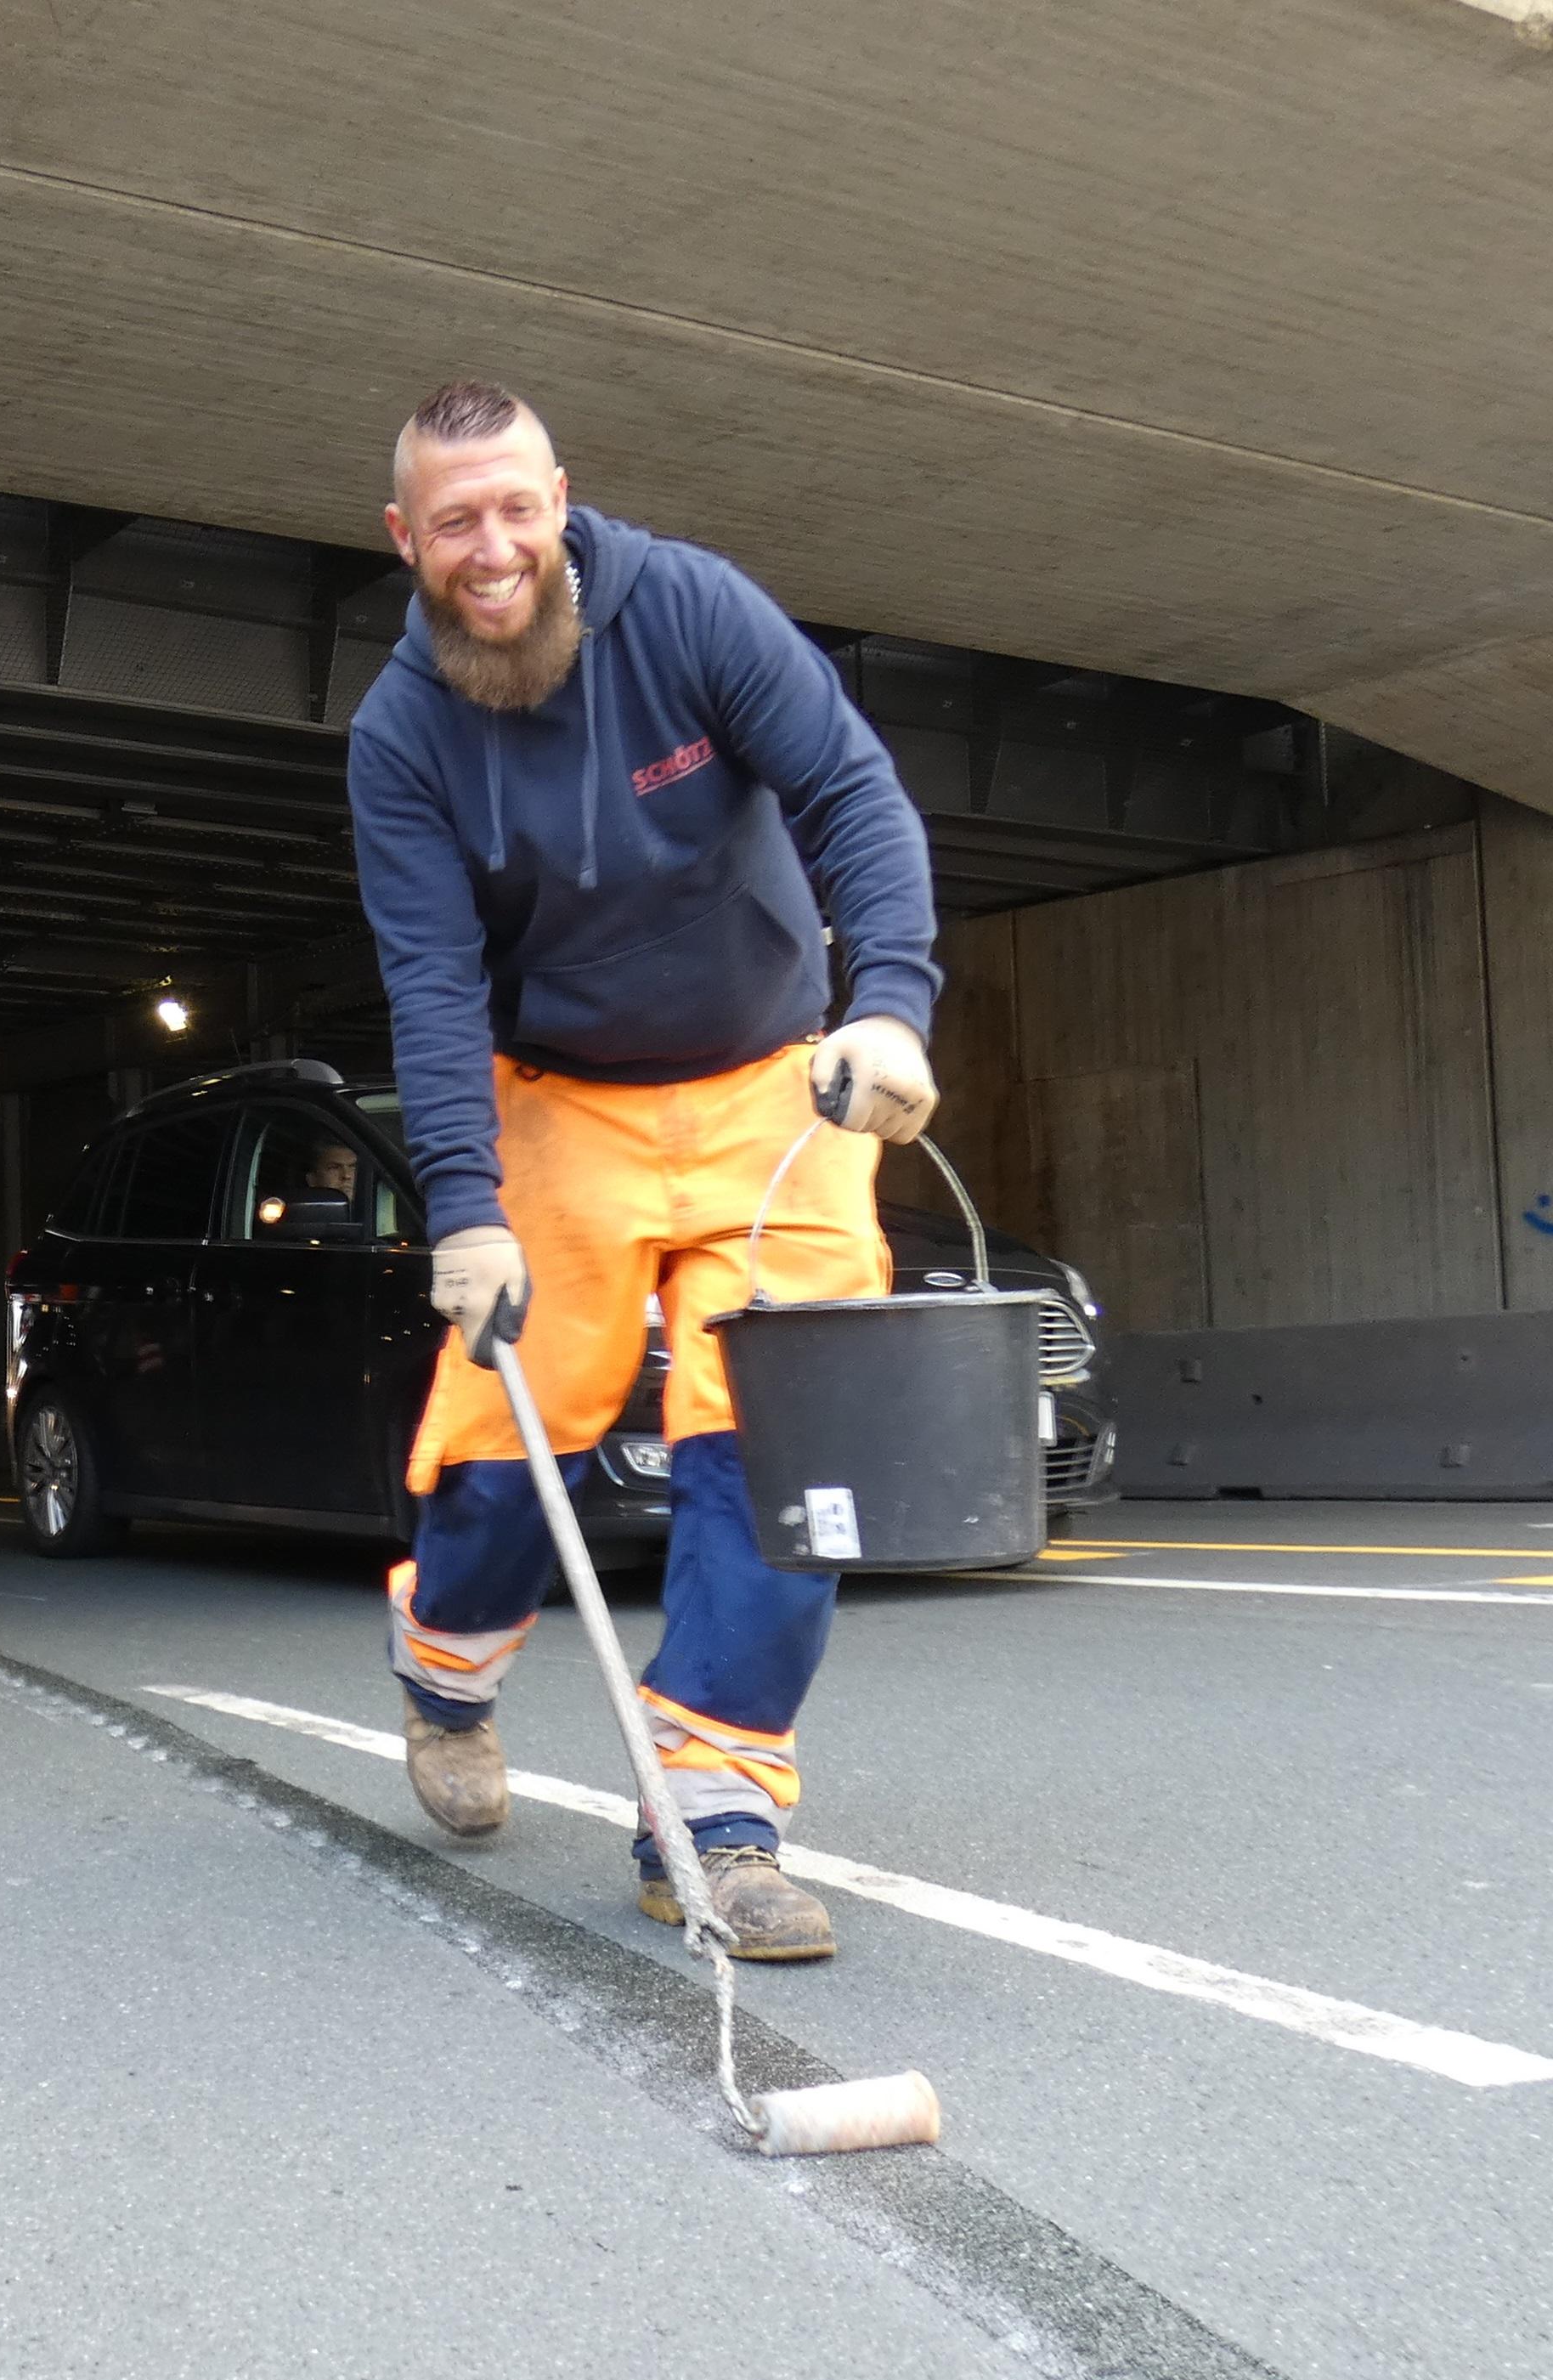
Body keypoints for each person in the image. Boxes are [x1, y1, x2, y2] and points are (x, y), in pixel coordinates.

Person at [348, 381, 942, 1961]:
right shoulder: (400, 733)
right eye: (455, 520)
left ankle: (714, 1821)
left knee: (775, 1460)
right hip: (560, 1105)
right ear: (406, 537)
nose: (493, 548)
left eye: (516, 508)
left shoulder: (685, 609)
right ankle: (445, 1671)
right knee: (503, 1438)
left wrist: (886, 1005)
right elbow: (426, 979)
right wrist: (462, 1209)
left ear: (562, 498)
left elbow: (848, 790)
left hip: (771, 1098)